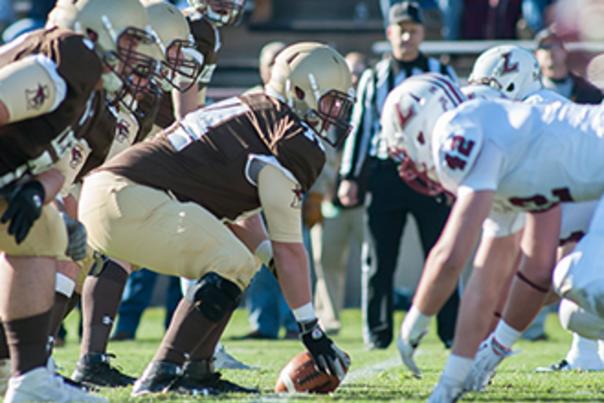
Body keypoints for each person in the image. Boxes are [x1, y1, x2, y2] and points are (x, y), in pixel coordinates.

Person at [77, 41, 354, 396]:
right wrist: (310, 329)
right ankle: (163, 374)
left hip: (115, 194)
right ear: (299, 90)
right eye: (331, 99)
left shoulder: (256, 113)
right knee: (231, 261)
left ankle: (198, 370)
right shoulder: (288, 136)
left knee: (239, 260)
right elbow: (291, 249)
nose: (337, 111)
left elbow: (243, 220)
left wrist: (269, 259)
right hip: (130, 196)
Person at [381, 72, 604, 402]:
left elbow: (451, 255)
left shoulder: (457, 131)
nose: (410, 165)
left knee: (585, 281)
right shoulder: (506, 164)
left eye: (405, 151)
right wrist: (450, 383)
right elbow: (488, 280)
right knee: (580, 302)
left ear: (419, 130)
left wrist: (417, 318)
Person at [0, 0, 161, 400]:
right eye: (128, 41)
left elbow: (57, 166)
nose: (133, 58)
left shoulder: (92, 97)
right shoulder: (66, 60)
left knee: (42, 231)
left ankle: (28, 376)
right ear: (94, 33)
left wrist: (35, 192)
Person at [338, 0, 459, 350]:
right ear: (389, 33)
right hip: (386, 172)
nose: (406, 36)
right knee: (379, 259)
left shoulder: (440, 71)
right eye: (400, 29)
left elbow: (456, 119)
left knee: (442, 254)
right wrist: (350, 175)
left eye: (413, 29)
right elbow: (361, 126)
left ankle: (451, 331)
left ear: (423, 33)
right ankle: (377, 335)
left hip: (430, 174)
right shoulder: (376, 76)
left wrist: (453, 174)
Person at [314, 51, 368, 335]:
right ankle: (329, 318)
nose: (355, 77)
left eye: (360, 71)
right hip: (328, 197)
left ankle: (373, 319)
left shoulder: (372, 105)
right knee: (326, 261)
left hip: (364, 199)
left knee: (372, 261)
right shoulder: (327, 103)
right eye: (351, 71)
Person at [534, 26, 603, 104]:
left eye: (556, 45)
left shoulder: (587, 90)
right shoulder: (531, 92)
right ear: (536, 54)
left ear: (565, 51)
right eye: (545, 47)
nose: (550, 51)